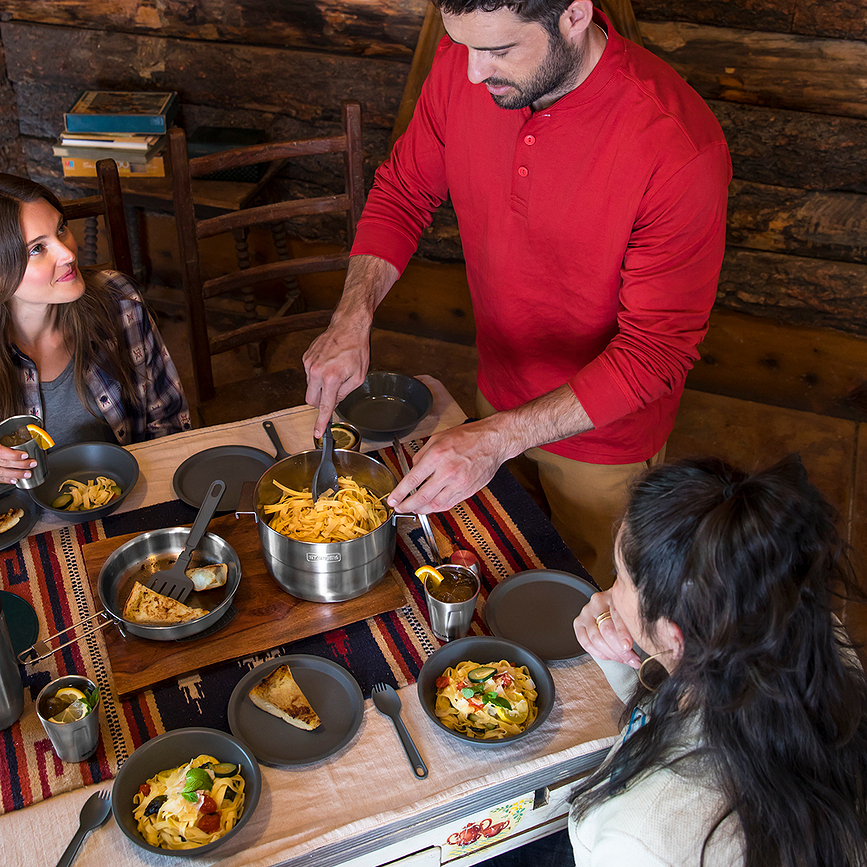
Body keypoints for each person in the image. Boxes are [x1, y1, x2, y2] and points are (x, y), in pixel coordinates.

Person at [303, 0, 732, 588]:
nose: (473, 72)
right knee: (497, 568)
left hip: (602, 436)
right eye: (466, 46)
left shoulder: (678, 146)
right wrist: (352, 316)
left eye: (499, 51)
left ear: (574, 16)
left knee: (586, 606)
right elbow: (403, 193)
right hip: (493, 393)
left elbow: (655, 352)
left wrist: (499, 437)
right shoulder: (464, 64)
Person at [558, 455, 867, 866]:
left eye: (619, 577)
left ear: (676, 634)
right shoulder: (805, 627)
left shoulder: (643, 838)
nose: (609, 594)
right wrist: (621, 655)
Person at [0, 173, 190, 485]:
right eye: (37, 248)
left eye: (61, 228)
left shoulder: (118, 300)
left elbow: (169, 420)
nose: (68, 253)